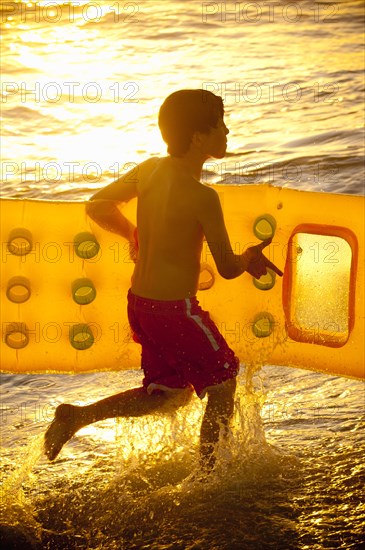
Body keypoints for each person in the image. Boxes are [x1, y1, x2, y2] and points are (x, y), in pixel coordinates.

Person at [44, 89, 283, 470]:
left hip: (140, 305)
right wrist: (250, 258)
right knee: (223, 382)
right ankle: (209, 478)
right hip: (175, 311)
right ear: (197, 137)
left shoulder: (149, 169)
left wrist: (131, 233)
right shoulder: (204, 197)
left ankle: (78, 416)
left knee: (168, 395)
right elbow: (226, 266)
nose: (227, 131)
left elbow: (97, 205)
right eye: (219, 124)